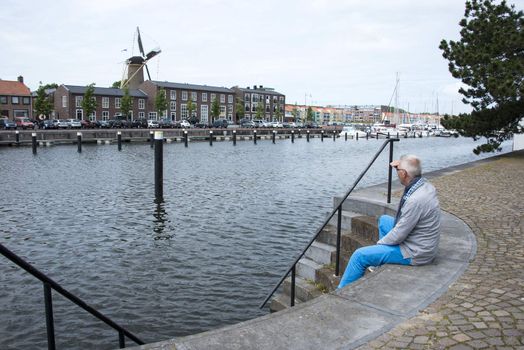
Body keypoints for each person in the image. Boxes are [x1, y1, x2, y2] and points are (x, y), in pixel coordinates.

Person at [337, 154, 441, 289]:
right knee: (384, 220)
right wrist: (401, 165)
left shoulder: (415, 200)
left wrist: (380, 245)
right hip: (421, 240)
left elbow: (399, 234)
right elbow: (411, 167)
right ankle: (381, 262)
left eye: (398, 171)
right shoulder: (423, 185)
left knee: (359, 256)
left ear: (404, 174)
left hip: (416, 252)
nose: (397, 174)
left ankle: (340, 293)